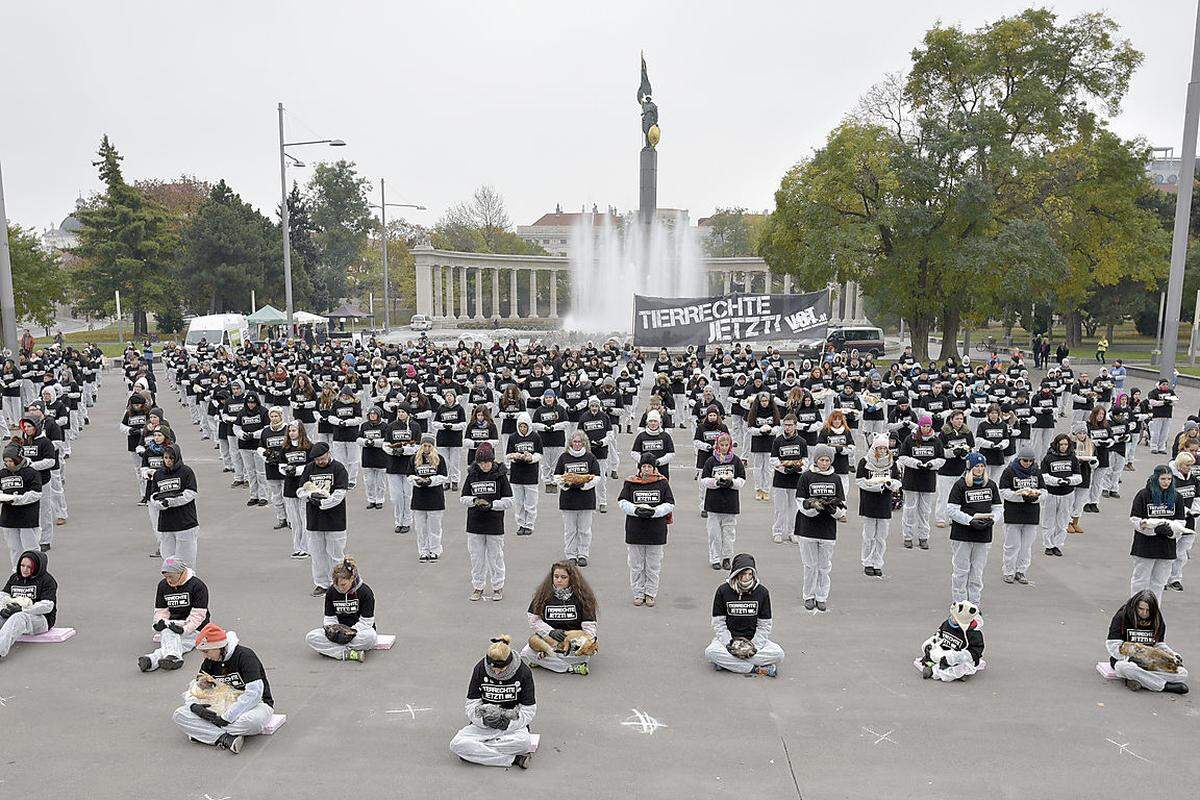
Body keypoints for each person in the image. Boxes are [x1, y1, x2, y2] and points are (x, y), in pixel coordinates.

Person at [171, 623, 275, 755]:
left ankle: (203, 732)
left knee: (252, 723)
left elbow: (254, 693)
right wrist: (194, 706)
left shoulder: (245, 656)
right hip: (223, 703)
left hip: (255, 705)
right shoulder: (210, 661)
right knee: (180, 714)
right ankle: (225, 738)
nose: (204, 656)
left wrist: (227, 717)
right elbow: (197, 686)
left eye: (206, 651)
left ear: (218, 647)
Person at [449, 635, 536, 769]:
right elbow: (471, 704)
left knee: (524, 743)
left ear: (509, 663)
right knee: (456, 744)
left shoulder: (524, 672)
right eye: (492, 669)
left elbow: (528, 710)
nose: (495, 672)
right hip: (483, 724)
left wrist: (508, 724)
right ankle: (514, 759)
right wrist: (483, 721)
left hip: (512, 726)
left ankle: (476, 753)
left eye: (500, 669)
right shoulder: (480, 669)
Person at [704, 553, 784, 677]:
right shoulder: (723, 591)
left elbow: (765, 625)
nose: (747, 578)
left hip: (753, 642)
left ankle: (728, 664)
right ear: (736, 574)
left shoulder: (762, 592)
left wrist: (753, 648)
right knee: (710, 653)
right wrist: (729, 644)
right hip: (729, 641)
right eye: (743, 574)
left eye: (750, 574)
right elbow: (718, 623)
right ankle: (756, 669)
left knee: (779, 654)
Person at [617, 453, 675, 607]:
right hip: (635, 530)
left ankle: (650, 593)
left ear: (654, 468)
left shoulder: (662, 483)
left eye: (649, 466)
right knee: (636, 564)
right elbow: (622, 501)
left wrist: (655, 512)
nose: (647, 469)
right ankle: (637, 592)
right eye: (644, 466)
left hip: (656, 531)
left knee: (653, 564)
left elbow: (670, 504)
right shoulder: (631, 482)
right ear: (640, 467)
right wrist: (635, 510)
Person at [519, 561, 597, 675]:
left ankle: (544, 661)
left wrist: (579, 641)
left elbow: (589, 629)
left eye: (563, 577)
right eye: (556, 577)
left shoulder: (584, 598)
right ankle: (571, 668)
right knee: (529, 651)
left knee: (584, 655)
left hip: (572, 642)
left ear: (572, 578)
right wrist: (550, 632)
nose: (559, 580)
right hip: (548, 638)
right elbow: (533, 619)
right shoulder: (543, 595)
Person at [460, 442, 514, 601]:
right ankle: (478, 586)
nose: (484, 466)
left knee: (495, 556)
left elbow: (509, 500)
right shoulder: (472, 475)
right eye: (481, 462)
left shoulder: (500, 475)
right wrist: (474, 500)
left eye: (487, 462)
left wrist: (492, 505)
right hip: (475, 523)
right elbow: (463, 498)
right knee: (476, 557)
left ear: (493, 460)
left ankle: (498, 587)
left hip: (494, 523)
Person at [1105, 590, 1188, 694]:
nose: (1144, 613)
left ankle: (1139, 679)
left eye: (1148, 610)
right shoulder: (1122, 616)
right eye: (1141, 609)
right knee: (1123, 668)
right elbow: (1112, 645)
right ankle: (1164, 686)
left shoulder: (1157, 618)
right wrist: (1136, 655)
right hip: (1128, 660)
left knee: (1182, 673)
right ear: (1135, 606)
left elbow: (1159, 644)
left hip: (1151, 663)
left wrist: (1172, 655)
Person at [796, 443, 846, 611]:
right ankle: (808, 595)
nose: (824, 463)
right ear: (816, 460)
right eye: (821, 460)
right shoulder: (806, 477)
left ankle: (821, 595)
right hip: (807, 529)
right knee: (810, 565)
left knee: (824, 566)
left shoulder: (836, 478)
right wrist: (813, 507)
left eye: (827, 460)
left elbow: (842, 506)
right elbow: (800, 503)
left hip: (827, 530)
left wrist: (834, 511)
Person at [947, 453, 1001, 605]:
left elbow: (998, 508)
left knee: (977, 571)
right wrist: (970, 520)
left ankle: (974, 604)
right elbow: (951, 510)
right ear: (970, 467)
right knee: (961, 570)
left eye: (982, 466)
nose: (980, 469)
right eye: (976, 466)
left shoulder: (990, 484)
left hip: (983, 534)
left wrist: (993, 520)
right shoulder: (961, 484)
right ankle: (959, 603)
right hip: (962, 534)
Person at [297, 442, 350, 596]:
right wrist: (310, 496)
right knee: (317, 554)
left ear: (328, 453)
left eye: (321, 458)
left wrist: (324, 503)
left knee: (336, 554)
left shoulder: (338, 468)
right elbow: (300, 490)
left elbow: (340, 493)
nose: (319, 462)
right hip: (314, 520)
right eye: (317, 460)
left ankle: (339, 584)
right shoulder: (309, 468)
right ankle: (322, 583)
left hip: (335, 519)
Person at [139, 557, 209, 673]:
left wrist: (184, 630)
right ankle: (171, 658)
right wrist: (158, 623)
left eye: (171, 576)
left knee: (175, 638)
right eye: (166, 577)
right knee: (169, 632)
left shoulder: (198, 586)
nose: (168, 580)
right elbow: (161, 610)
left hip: (195, 627)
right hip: (173, 623)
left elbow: (198, 615)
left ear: (181, 572)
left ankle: (154, 659)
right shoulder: (163, 585)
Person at [1128, 465, 1188, 601]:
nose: (1166, 482)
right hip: (1145, 546)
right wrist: (1153, 530)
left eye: (1169, 479)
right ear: (1156, 478)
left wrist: (1172, 531)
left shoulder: (1177, 497)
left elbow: (1181, 521)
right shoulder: (1143, 495)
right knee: (1140, 580)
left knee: (1159, 582)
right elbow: (1135, 520)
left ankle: (1155, 610)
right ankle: (1135, 607)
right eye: (1163, 479)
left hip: (1166, 546)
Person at [305, 556, 377, 662]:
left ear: (352, 579)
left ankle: (331, 650)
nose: (340, 588)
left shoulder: (365, 592)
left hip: (358, 632)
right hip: (337, 632)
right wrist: (334, 631)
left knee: (370, 637)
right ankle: (347, 653)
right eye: (337, 585)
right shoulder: (331, 592)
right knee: (311, 637)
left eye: (343, 585)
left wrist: (350, 632)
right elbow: (329, 618)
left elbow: (367, 622)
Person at [699, 432, 746, 570]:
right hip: (713, 503)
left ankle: (726, 557)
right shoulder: (711, 461)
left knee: (729, 533)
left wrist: (732, 483)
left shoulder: (736, 461)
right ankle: (715, 558)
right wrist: (715, 482)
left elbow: (742, 479)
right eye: (722, 445)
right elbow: (703, 480)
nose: (724, 447)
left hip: (730, 503)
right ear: (717, 445)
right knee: (714, 533)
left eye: (726, 445)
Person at [856, 434, 901, 577]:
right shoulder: (864, 462)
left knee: (881, 536)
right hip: (869, 501)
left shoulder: (892, 463)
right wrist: (876, 486)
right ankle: (867, 562)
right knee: (869, 534)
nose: (882, 451)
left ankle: (878, 562)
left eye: (884, 448)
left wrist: (891, 485)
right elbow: (860, 481)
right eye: (879, 448)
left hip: (884, 502)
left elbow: (898, 480)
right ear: (874, 448)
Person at [998, 445, 1045, 585]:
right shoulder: (1009, 471)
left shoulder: (1037, 472)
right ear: (1019, 459)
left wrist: (1036, 497)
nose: (1028, 463)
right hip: (1013, 514)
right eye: (1025, 460)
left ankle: (1021, 570)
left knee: (1026, 546)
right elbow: (1003, 492)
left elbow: (1044, 490)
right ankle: (1009, 571)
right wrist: (1020, 497)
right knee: (1012, 545)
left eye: (1031, 461)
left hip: (1031, 514)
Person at [553, 431, 601, 566]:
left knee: (584, 530)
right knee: (570, 530)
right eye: (575, 442)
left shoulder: (590, 457)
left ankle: (583, 554)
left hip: (586, 499)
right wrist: (566, 484)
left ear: (584, 443)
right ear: (570, 443)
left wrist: (583, 485)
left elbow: (597, 476)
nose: (577, 444)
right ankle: (571, 555)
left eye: (580, 442)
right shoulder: (564, 457)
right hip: (568, 499)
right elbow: (557, 476)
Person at [898, 415, 945, 550]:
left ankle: (923, 537)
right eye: (923, 426)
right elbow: (902, 457)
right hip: (911, 479)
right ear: (919, 426)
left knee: (925, 511)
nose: (926, 428)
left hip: (927, 480)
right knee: (909, 509)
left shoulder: (936, 441)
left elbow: (941, 459)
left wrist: (932, 464)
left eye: (928, 426)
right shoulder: (910, 439)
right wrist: (916, 463)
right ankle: (908, 536)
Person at [149, 444, 200, 567]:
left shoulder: (186, 471)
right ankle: (172, 582)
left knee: (186, 562)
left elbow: (191, 493)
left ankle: (188, 583)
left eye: (171, 458)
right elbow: (153, 495)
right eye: (165, 458)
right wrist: (159, 504)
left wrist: (171, 501)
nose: (168, 461)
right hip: (166, 525)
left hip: (185, 524)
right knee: (169, 561)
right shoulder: (158, 474)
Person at [0, 549, 57, 659]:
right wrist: (2, 609)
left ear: (37, 567)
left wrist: (23, 609)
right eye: (22, 565)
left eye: (29, 567)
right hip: (14, 614)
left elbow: (47, 605)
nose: (24, 570)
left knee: (19, 617)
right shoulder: (15, 578)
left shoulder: (47, 580)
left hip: (40, 620)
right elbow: (2, 595)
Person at [915, 601, 985, 682]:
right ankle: (934, 665)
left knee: (960, 668)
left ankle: (933, 672)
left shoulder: (974, 634)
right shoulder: (947, 623)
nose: (952, 619)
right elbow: (939, 635)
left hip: (959, 657)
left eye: (955, 619)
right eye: (952, 616)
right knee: (931, 654)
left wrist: (957, 656)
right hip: (945, 651)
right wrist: (931, 643)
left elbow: (976, 651)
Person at [0, 443, 42, 569]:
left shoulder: (31, 472)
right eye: (5, 461)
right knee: (14, 549)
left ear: (18, 458)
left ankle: (36, 572)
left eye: (10, 460)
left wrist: (17, 499)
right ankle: (16, 573)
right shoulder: (2, 473)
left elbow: (36, 493)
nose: (8, 463)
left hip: (27, 517)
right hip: (8, 518)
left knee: (31, 548)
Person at [1040, 433, 1082, 556]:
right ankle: (1048, 545)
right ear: (1056, 444)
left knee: (1062, 521)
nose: (1063, 447)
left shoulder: (1072, 458)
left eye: (1065, 444)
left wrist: (1069, 481)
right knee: (1049, 520)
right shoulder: (1048, 458)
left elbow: (1079, 477)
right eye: (1061, 444)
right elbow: (1044, 476)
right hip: (1051, 493)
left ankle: (1057, 544)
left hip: (1067, 494)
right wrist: (1056, 481)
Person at [769, 414, 807, 544]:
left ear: (795, 426)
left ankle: (792, 532)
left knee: (794, 508)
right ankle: (777, 531)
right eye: (785, 425)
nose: (788, 427)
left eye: (790, 425)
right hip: (780, 479)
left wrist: (798, 469)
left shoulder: (801, 441)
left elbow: (805, 460)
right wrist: (784, 469)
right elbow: (773, 459)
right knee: (780, 508)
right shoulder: (778, 441)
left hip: (796, 479)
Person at [409, 434, 448, 562]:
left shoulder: (439, 459)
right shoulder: (414, 459)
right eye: (424, 445)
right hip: (419, 499)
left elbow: (443, 476)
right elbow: (409, 475)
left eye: (429, 446)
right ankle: (423, 550)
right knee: (420, 528)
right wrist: (417, 480)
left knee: (434, 527)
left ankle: (435, 550)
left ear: (433, 447)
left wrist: (430, 481)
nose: (426, 448)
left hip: (435, 499)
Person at [383, 403, 421, 534]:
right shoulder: (391, 426)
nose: (400, 414)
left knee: (408, 495)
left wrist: (404, 450)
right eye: (399, 412)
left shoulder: (415, 426)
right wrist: (393, 451)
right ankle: (398, 521)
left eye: (403, 412)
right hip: (393, 466)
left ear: (408, 413)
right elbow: (385, 444)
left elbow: (418, 447)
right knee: (397, 496)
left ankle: (407, 521)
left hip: (408, 466)